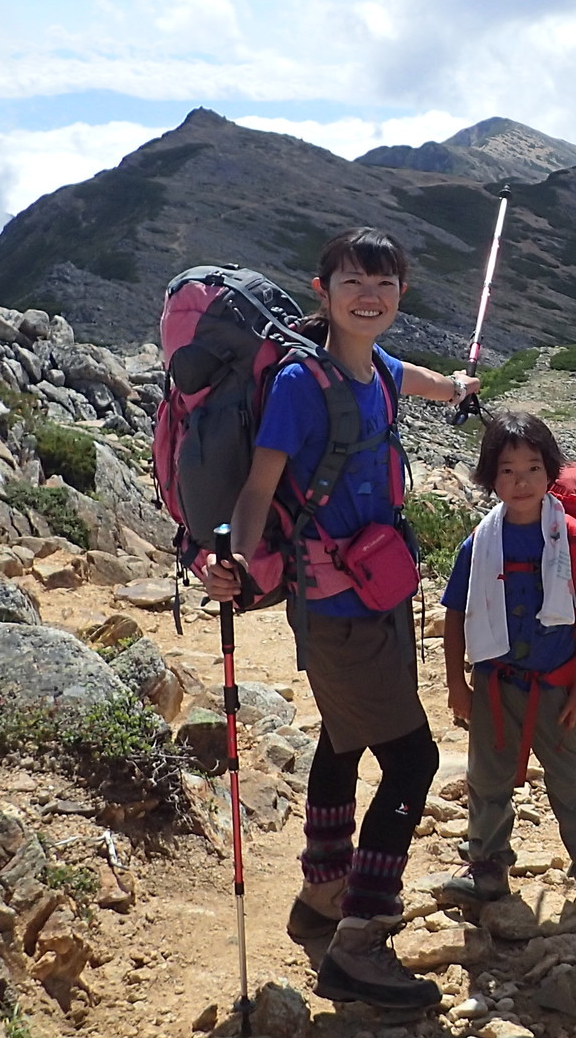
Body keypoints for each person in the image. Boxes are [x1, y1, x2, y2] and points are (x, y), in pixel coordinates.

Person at [197, 227, 477, 1012]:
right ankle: (360, 937)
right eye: (354, 281)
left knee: (343, 738)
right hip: (338, 609)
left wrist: (456, 388)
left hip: (376, 599)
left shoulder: (377, 367)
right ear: (321, 291)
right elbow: (258, 488)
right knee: (414, 764)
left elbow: (412, 375)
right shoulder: (300, 383)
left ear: (401, 296)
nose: (370, 296)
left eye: (384, 285)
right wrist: (237, 563)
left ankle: (321, 895)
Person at [436, 411, 576, 932]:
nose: (520, 483)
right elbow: (456, 613)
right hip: (497, 685)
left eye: (532, 469)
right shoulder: (479, 543)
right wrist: (458, 683)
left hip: (559, 685)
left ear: (550, 474)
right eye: (507, 471)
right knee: (487, 779)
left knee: (575, 783)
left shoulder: (575, 538)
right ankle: (488, 867)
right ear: (489, 477)